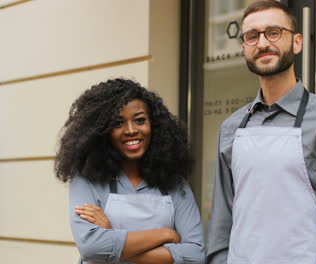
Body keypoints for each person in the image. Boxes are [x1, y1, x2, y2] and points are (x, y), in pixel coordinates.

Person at [207, 1, 316, 264]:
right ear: (245, 48)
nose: (262, 43)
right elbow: (221, 227)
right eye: (252, 36)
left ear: (297, 42)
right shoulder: (231, 128)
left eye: (274, 32)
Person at [55, 79, 206, 264]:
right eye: (118, 123)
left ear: (154, 125)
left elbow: (195, 256)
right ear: (101, 131)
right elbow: (91, 248)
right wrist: (164, 234)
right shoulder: (86, 180)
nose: (131, 130)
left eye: (140, 120)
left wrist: (112, 239)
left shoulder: (175, 183)